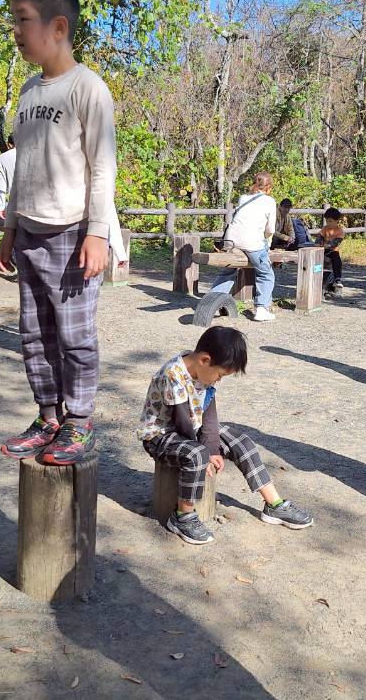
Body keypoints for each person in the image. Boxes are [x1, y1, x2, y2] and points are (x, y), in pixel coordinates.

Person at [0, 0, 126, 466]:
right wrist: (10, 229)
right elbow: (23, 170)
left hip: (73, 234)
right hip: (28, 232)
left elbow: (103, 167)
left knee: (74, 336)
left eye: (23, 20)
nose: (15, 30)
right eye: (13, 20)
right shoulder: (29, 92)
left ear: (57, 27)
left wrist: (98, 233)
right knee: (34, 335)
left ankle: (79, 421)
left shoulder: (88, 87)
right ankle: (48, 417)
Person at [137, 326, 313, 545]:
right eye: (220, 374)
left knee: (241, 442)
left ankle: (274, 505)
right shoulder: (173, 374)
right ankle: (182, 517)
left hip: (191, 429)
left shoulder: (202, 371)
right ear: (204, 360)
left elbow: (209, 415)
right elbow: (182, 423)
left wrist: (212, 448)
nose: (219, 380)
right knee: (197, 454)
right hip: (161, 436)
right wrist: (206, 454)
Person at [209, 173, 278, 322]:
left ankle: (210, 302)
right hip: (252, 243)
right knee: (265, 273)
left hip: (231, 241)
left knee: (228, 270)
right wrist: (265, 239)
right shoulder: (270, 201)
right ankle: (261, 308)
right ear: (269, 187)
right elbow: (270, 229)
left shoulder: (243, 198)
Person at [317, 207, 345, 295]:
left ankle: (337, 279)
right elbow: (319, 236)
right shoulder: (325, 228)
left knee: (337, 261)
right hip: (323, 250)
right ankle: (316, 276)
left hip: (333, 251)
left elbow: (337, 242)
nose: (328, 223)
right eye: (327, 221)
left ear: (337, 221)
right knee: (316, 259)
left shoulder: (340, 230)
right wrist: (318, 243)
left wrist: (329, 245)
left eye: (330, 221)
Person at [0, 135, 17, 226]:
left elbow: (1, 184)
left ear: (9, 145)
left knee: (11, 230)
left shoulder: (3, 157)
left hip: (14, 203)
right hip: (34, 203)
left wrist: (1, 207)